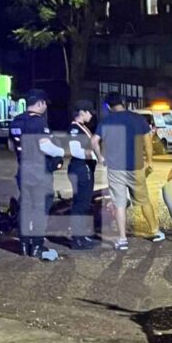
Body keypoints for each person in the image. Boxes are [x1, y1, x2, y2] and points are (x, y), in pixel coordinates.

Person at [94, 91, 164, 251]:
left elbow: (94, 140)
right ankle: (155, 231)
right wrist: (150, 161)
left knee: (119, 203)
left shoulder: (106, 121)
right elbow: (148, 142)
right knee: (144, 200)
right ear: (123, 102)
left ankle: (122, 239)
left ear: (108, 106)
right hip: (136, 165)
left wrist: (100, 157)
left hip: (115, 168)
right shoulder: (137, 119)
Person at [10, 89, 64, 261]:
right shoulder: (39, 122)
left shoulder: (16, 122)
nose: (46, 107)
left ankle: (24, 245)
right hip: (40, 172)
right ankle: (37, 246)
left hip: (23, 171)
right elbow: (45, 146)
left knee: (26, 208)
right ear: (40, 103)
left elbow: (11, 146)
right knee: (40, 209)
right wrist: (60, 151)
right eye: (45, 103)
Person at [67, 100, 104, 250]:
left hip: (84, 168)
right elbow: (75, 150)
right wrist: (95, 157)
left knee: (83, 202)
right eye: (89, 112)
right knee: (80, 204)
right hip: (81, 168)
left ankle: (81, 236)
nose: (91, 116)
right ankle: (77, 239)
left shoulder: (82, 128)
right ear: (82, 112)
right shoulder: (74, 129)